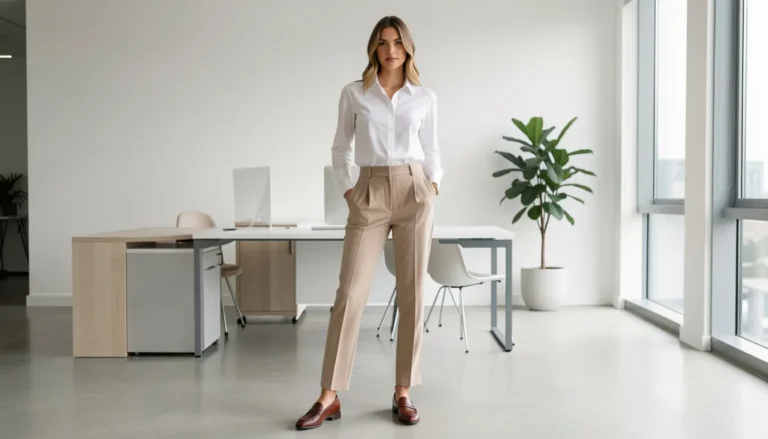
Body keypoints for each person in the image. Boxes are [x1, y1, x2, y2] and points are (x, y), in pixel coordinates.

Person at [295, 15, 442, 430]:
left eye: (397, 42)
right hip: (370, 191)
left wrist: (433, 186)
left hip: (414, 191)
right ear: (374, 48)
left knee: (413, 292)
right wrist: (349, 191)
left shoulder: (424, 96)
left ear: (407, 47)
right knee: (350, 294)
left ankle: (403, 392)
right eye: (383, 42)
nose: (391, 49)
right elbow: (340, 146)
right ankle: (329, 396)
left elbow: (432, 149)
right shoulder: (355, 93)